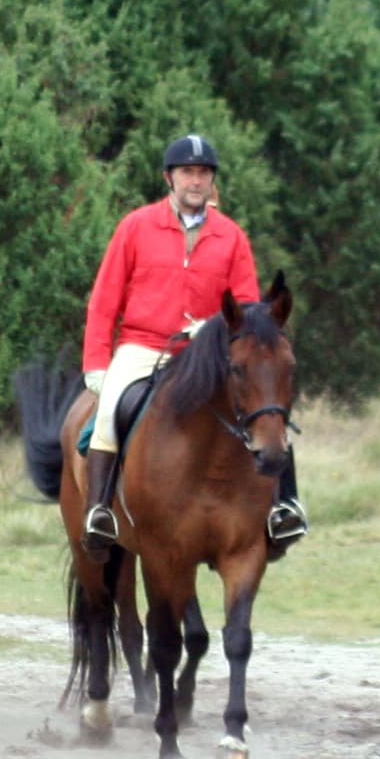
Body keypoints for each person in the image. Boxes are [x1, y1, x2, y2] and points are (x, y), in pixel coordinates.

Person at [78, 133, 307, 550]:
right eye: (187, 172)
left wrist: (215, 327)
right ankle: (99, 510)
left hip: (210, 351)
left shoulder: (232, 236)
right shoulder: (136, 226)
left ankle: (283, 506)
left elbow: (248, 307)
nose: (195, 181)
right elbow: (104, 299)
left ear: (211, 181)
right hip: (143, 345)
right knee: (111, 407)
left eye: (203, 173)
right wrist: (96, 361)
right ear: (170, 178)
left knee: (265, 406)